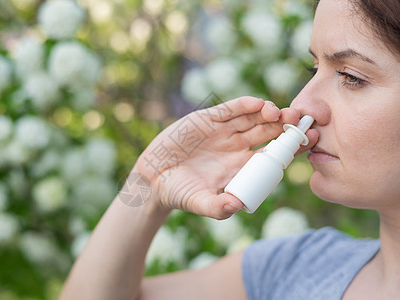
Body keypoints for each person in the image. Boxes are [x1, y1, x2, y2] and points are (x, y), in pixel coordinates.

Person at [59, 0, 400, 298]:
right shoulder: (294, 270)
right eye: (314, 69)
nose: (302, 103)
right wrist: (148, 184)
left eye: (350, 76)